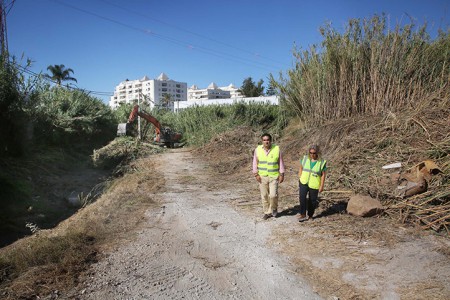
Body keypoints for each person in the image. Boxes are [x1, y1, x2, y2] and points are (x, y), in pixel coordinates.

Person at [253, 133, 285, 220]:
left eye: (267, 140)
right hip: (262, 176)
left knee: (273, 195)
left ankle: (274, 208)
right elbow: (255, 162)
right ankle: (267, 212)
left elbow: (280, 162)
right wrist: (256, 174)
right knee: (264, 195)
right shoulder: (258, 150)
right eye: (264, 140)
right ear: (262, 141)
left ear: (270, 141)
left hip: (274, 176)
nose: (266, 142)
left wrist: (282, 174)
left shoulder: (276, 149)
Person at [297, 144, 327, 222]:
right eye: (310, 153)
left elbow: (323, 174)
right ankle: (302, 214)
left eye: (314, 153)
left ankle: (310, 215)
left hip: (314, 183)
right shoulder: (305, 159)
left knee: (312, 200)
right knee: (302, 198)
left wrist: (322, 186)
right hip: (303, 181)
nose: (312, 155)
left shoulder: (322, 162)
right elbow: (301, 167)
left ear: (317, 153)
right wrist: (300, 176)